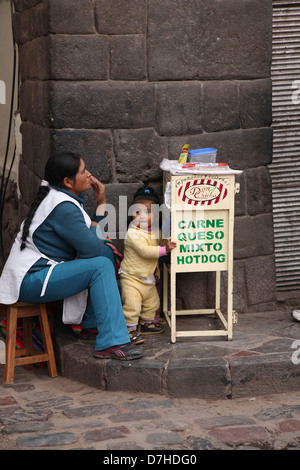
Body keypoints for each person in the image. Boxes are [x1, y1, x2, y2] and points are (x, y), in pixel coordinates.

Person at [0, 152, 144, 361]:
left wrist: (98, 212)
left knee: (106, 252)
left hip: (42, 273)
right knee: (100, 264)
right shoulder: (63, 207)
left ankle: (92, 326)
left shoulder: (62, 195)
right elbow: (91, 250)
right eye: (83, 171)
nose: (89, 175)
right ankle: (112, 342)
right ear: (67, 181)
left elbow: (93, 244)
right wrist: (101, 206)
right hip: (30, 280)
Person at [119, 186, 176, 344]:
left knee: (152, 303)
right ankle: (129, 330)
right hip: (131, 277)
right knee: (132, 305)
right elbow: (145, 251)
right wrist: (165, 250)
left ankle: (146, 324)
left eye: (148, 212)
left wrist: (166, 242)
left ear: (157, 214)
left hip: (148, 277)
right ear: (132, 213)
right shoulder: (132, 233)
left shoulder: (156, 230)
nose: (143, 216)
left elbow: (159, 241)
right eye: (138, 212)